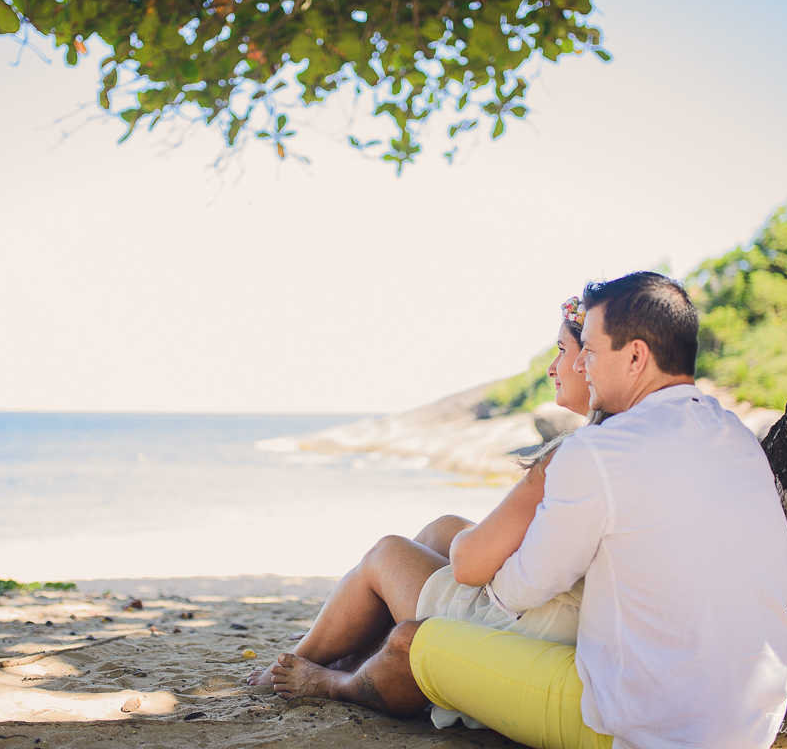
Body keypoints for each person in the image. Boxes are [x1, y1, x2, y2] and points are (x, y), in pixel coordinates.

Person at [267, 272, 787, 749]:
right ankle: (340, 653)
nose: (581, 364)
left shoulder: (602, 452)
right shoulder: (737, 437)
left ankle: (333, 682)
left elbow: (514, 591)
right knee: (443, 543)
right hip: (753, 717)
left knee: (415, 640)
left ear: (635, 358)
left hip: (643, 727)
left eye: (588, 349)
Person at [246, 296, 603, 704]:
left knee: (387, 553)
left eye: (563, 350)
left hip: (533, 625)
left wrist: (483, 556)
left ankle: (303, 657)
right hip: (563, 609)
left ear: (589, 361)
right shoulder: (619, 441)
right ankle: (350, 642)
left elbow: (474, 567)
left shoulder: (573, 454)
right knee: (443, 528)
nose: (554, 367)